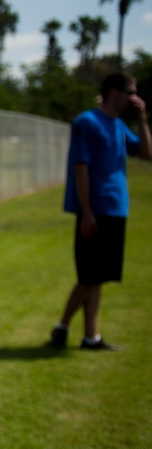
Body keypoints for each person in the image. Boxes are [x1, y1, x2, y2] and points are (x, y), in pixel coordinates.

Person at [48, 73, 151, 350]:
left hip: (117, 208)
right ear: (113, 92)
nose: (134, 97)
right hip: (96, 209)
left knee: (99, 276)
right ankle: (62, 327)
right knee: (90, 276)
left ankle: (91, 336)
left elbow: (145, 152)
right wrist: (87, 211)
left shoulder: (118, 126)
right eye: (130, 92)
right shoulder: (87, 122)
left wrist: (142, 120)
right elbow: (80, 166)